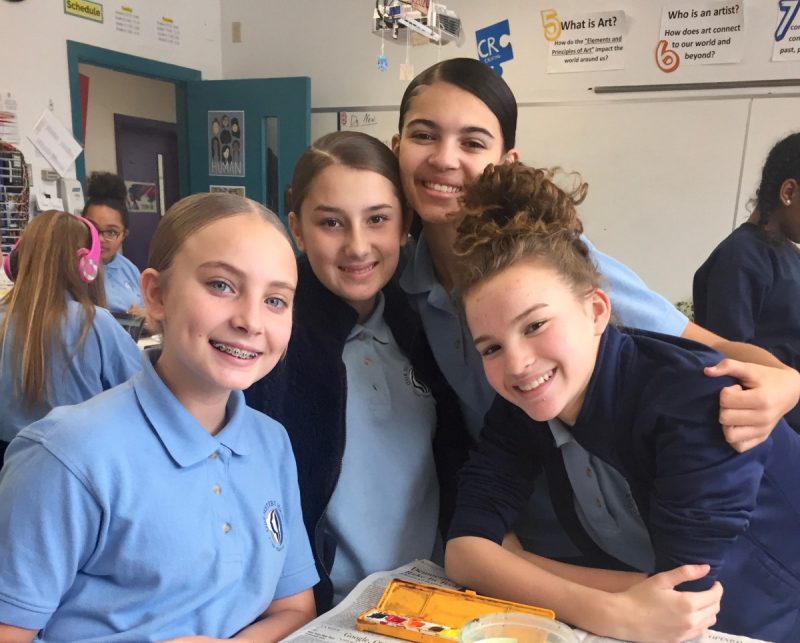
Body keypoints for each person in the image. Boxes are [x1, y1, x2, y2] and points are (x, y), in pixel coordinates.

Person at [444, 162, 800, 642]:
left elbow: (682, 596)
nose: (518, 364)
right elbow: (464, 550)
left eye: (535, 326)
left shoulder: (693, 400)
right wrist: (608, 607)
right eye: (491, 347)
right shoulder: (524, 406)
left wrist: (515, 564)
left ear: (596, 310)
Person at [392, 57, 799, 450]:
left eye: (472, 142)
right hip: (503, 498)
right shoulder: (402, 276)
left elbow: (710, 347)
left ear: (506, 161)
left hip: (606, 505)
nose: (444, 159)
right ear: (397, 146)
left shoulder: (549, 261)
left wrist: (786, 383)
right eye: (424, 135)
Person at [0, 193, 318, 641]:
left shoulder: (271, 443)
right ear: (156, 294)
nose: (251, 321)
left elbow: (294, 607)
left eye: (276, 301)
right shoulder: (68, 454)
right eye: (221, 286)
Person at [245, 132, 470, 612]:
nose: (358, 245)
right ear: (297, 230)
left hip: (432, 600)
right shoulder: (269, 343)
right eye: (331, 222)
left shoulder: (427, 327)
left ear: (405, 224)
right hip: (323, 611)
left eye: (378, 220)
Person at [0, 210, 141, 457]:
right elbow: (143, 391)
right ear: (87, 266)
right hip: (80, 461)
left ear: (15, 262)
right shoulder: (94, 322)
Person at [694, 131, 800, 429]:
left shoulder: (789, 255)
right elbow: (730, 356)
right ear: (788, 192)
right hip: (773, 428)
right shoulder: (740, 256)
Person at [82, 172, 146, 318]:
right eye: (92, 228)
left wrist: (146, 317)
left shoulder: (129, 270)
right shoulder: (70, 268)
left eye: (111, 232)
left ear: (124, 235)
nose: (99, 239)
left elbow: (147, 309)